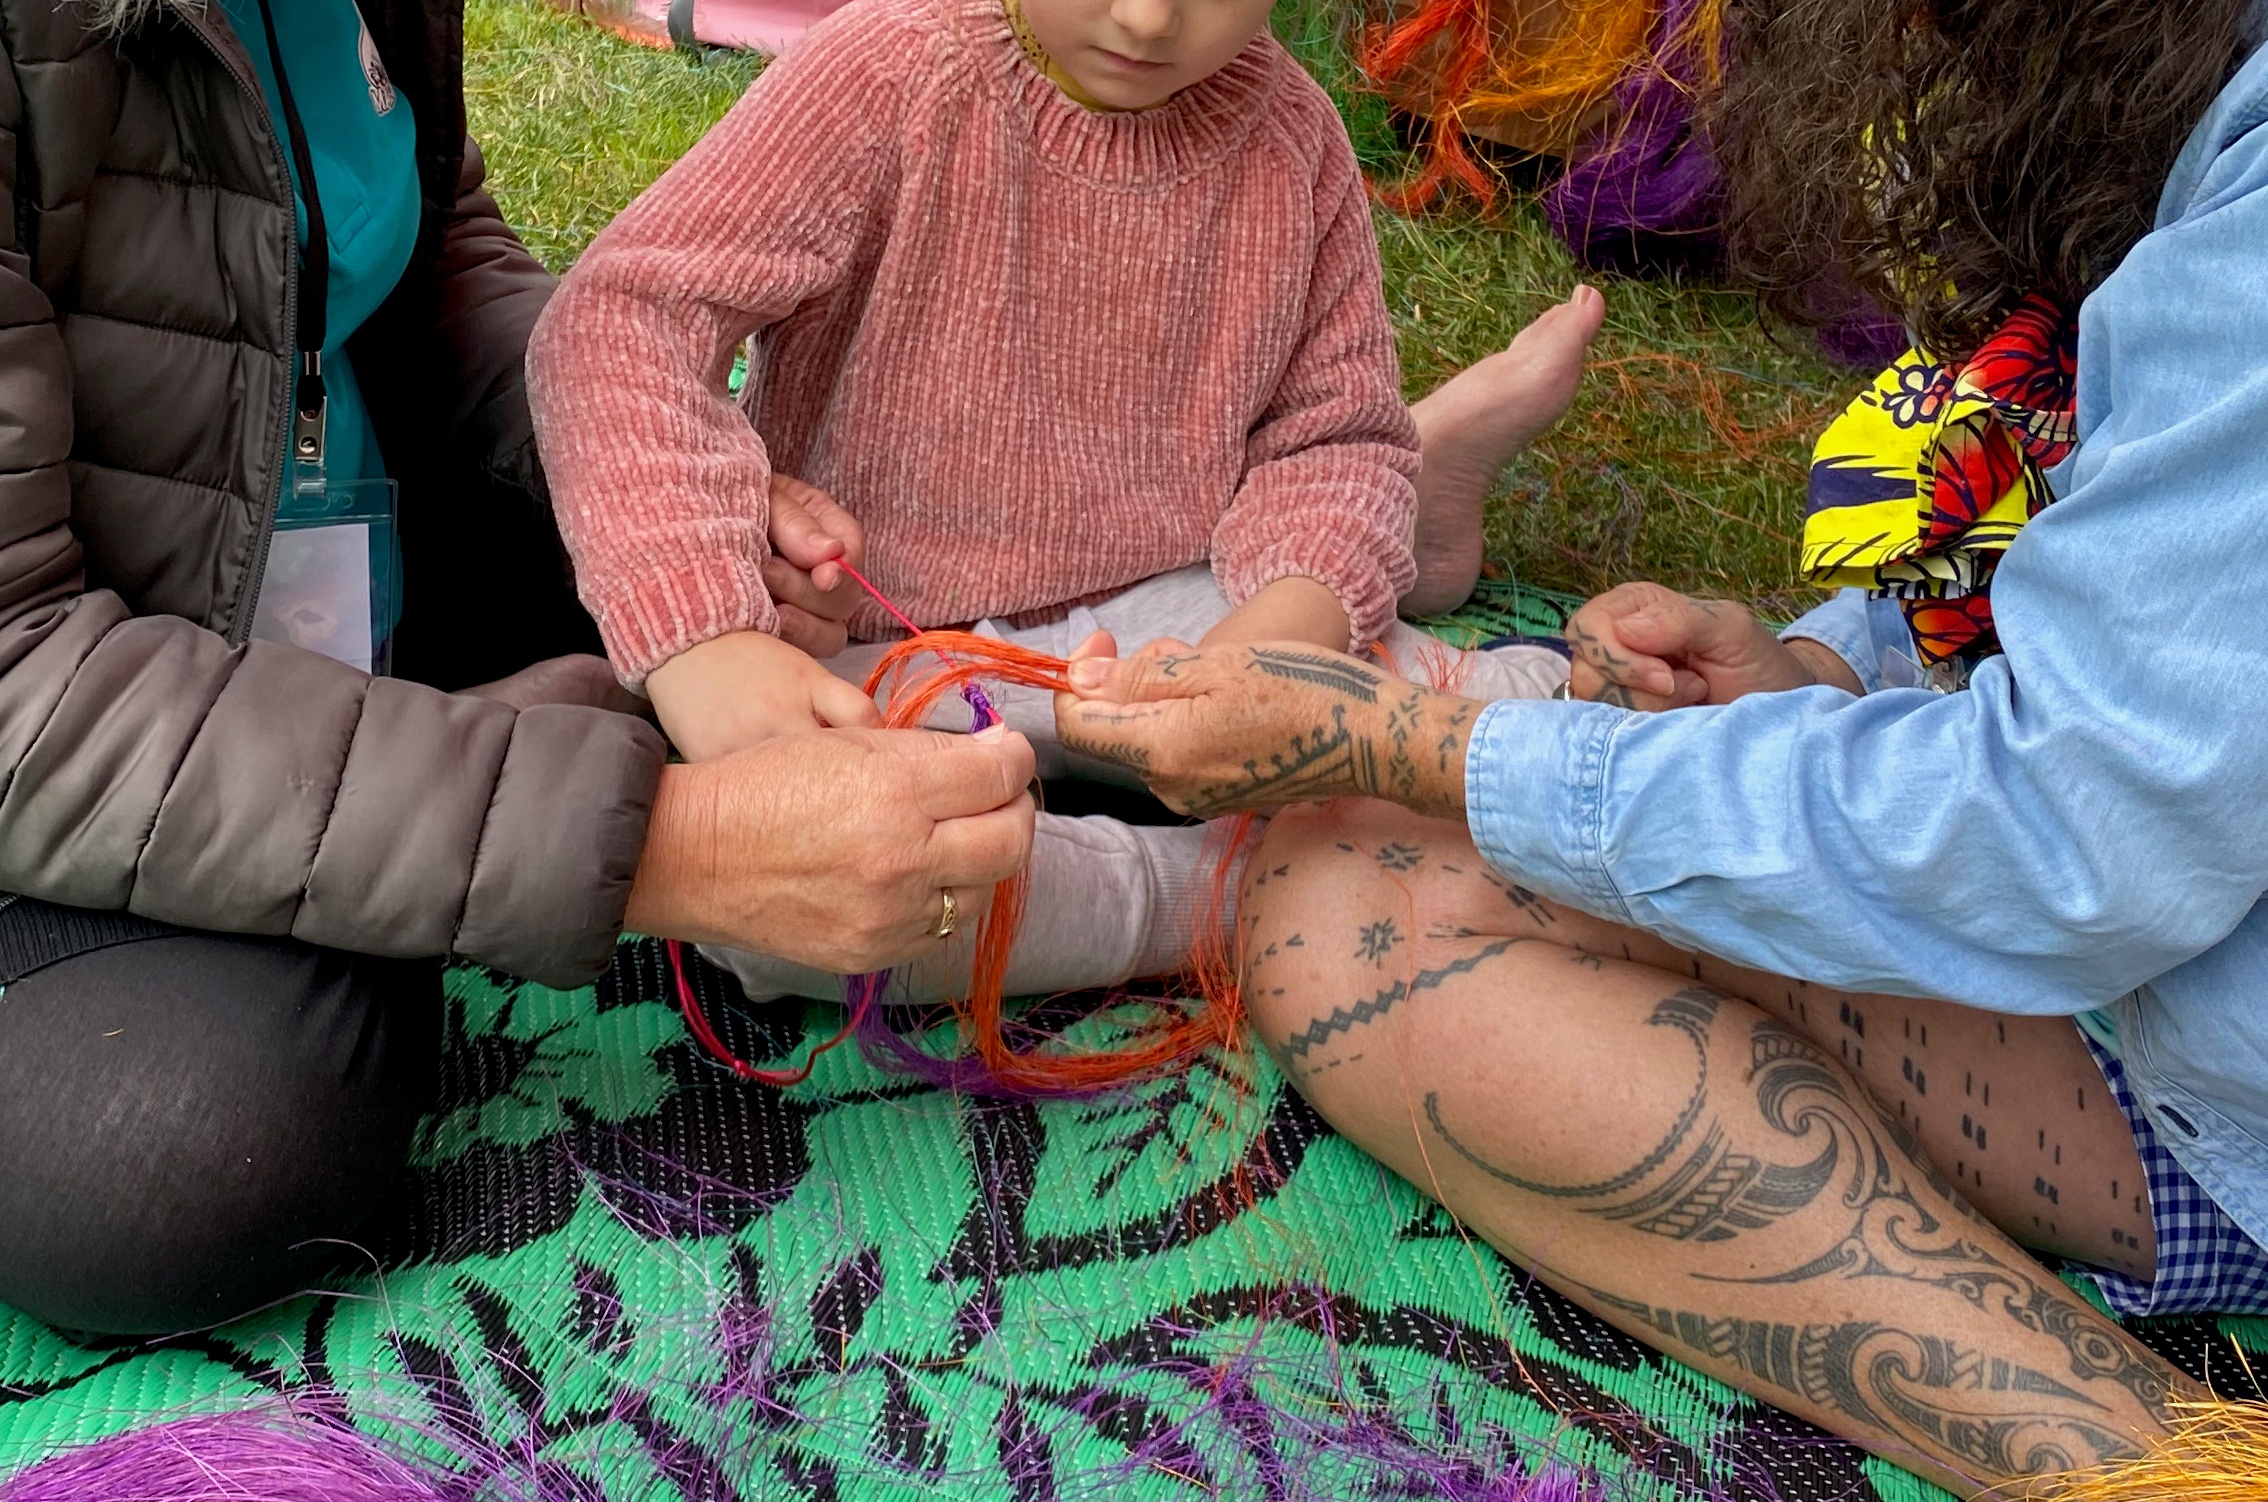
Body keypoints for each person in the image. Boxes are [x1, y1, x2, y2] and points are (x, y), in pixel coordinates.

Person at [1051, 0, 2268, 1491]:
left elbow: (2072, 837)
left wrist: (1422, 747)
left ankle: (2156, 1466)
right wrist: (1826, 666)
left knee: (1351, 908)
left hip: (2202, 1065)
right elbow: (2157, 613)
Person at [0, 0, 1035, 1336]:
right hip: (64, 718)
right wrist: (660, 845)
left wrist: (660, 480)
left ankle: (446, 796)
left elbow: (434, 266)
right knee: (175, 1148)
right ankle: (468, 796)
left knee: (708, 589)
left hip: (290, 598)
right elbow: (21, 683)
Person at [526, 0, 1602, 1004]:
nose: (1146, 17)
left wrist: (1282, 637)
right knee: (784, 908)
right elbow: (622, 323)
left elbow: (1332, 440)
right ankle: (1231, 900)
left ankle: (1525, 700)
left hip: (1169, 598)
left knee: (1383, 699)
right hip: (868, 641)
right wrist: (705, 640)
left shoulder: (1293, 143)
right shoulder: (889, 74)